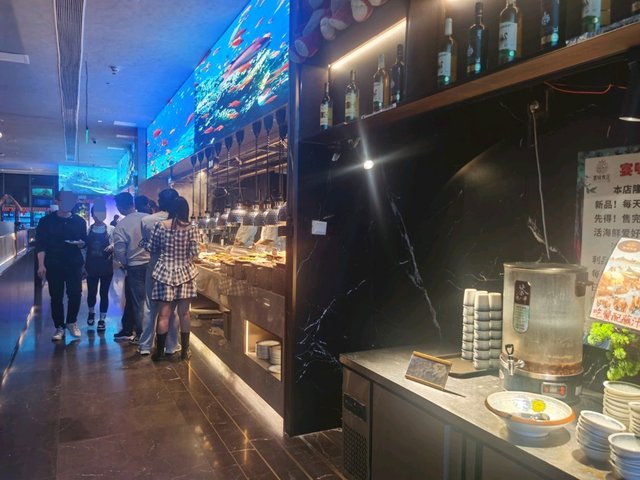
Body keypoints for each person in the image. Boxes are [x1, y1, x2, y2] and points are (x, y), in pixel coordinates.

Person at [147, 197, 199, 361]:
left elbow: (152, 247)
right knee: (184, 313)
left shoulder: (160, 226)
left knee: (163, 315)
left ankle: (159, 353)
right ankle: (185, 351)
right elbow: (195, 253)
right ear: (186, 210)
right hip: (186, 273)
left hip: (164, 272)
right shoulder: (192, 228)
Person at [35, 191, 87, 341]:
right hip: (54, 263)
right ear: (57, 201)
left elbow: (84, 241)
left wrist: (82, 244)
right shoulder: (46, 221)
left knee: (75, 294)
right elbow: (41, 244)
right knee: (56, 296)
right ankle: (59, 326)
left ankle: (71, 322)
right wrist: (41, 264)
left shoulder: (79, 221)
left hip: (74, 263)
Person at [138, 188, 181, 356]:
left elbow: (148, 244)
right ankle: (171, 345)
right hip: (174, 267)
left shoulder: (147, 220)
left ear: (159, 202)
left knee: (150, 306)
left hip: (155, 265)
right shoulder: (181, 221)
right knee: (172, 308)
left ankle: (145, 345)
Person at [112, 192, 149, 342]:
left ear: (120, 207)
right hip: (152, 264)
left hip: (134, 266)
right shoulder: (148, 218)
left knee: (138, 302)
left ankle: (141, 336)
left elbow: (119, 251)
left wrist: (125, 263)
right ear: (132, 203)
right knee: (147, 301)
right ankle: (132, 330)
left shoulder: (121, 225)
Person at [84, 205, 114, 332]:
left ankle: (102, 319)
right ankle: (91, 312)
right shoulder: (88, 229)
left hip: (106, 265)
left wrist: (113, 246)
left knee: (104, 293)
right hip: (91, 266)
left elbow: (116, 243)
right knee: (91, 292)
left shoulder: (111, 229)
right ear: (92, 215)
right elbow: (85, 248)